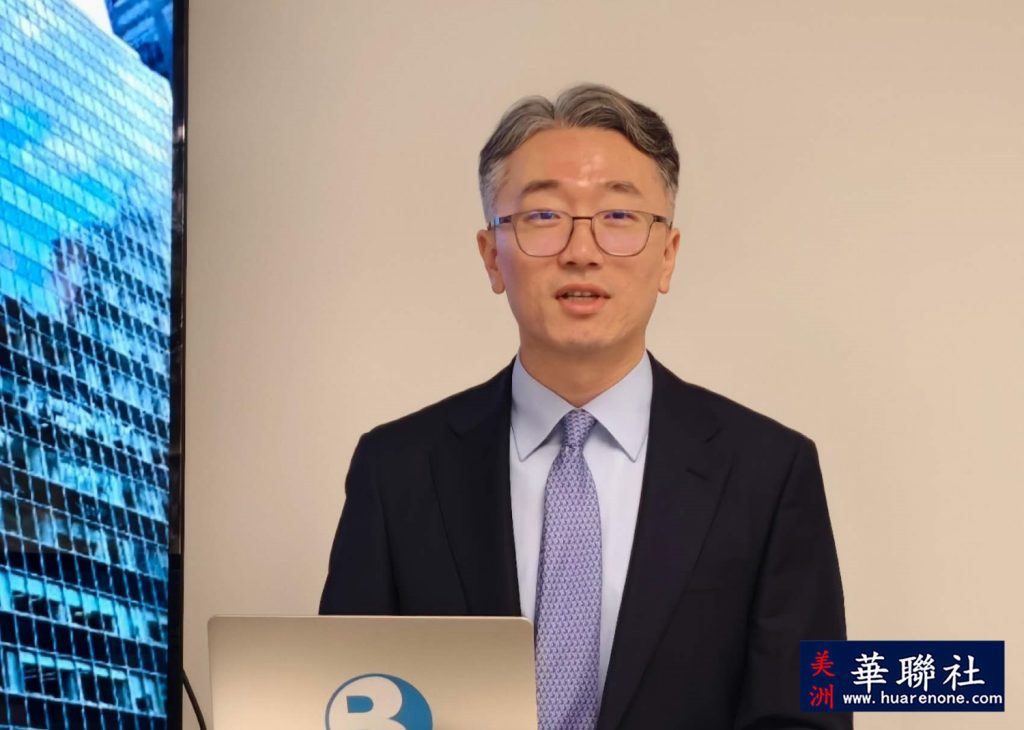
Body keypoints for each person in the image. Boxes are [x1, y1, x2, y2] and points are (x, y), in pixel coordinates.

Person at [320, 84, 850, 730]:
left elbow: (806, 717)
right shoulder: (397, 469)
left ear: (667, 256)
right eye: (544, 216)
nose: (581, 251)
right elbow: (343, 701)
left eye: (618, 216)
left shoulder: (769, 473)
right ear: (492, 257)